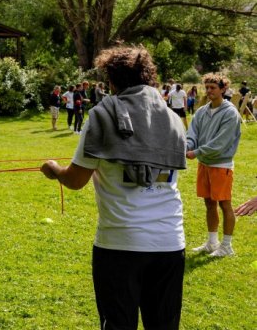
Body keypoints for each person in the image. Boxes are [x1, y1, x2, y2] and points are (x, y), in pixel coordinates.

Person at [41, 45, 186, 330]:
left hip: (120, 244)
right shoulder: (172, 118)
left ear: (112, 80)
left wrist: (54, 169)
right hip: (170, 242)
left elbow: (75, 180)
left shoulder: (101, 115)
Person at [185, 73, 241, 257]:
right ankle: (211, 242)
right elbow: (192, 133)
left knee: (225, 205)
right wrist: (187, 146)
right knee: (209, 204)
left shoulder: (230, 113)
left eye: (213, 88)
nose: (209, 91)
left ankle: (226, 246)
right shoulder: (202, 111)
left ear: (223, 89)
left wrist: (196, 152)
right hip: (205, 164)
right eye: (206, 87)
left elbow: (221, 143)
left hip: (221, 164)